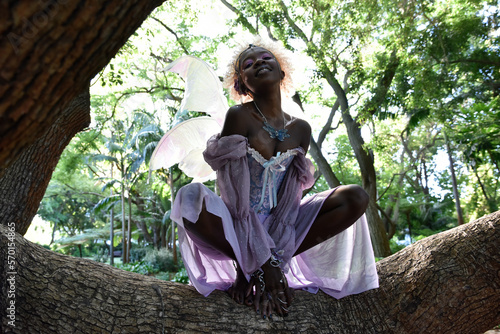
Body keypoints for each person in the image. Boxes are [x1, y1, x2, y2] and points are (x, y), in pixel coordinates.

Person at [170, 39, 378, 319]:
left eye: (266, 57)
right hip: (237, 220)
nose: (258, 63)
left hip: (284, 223)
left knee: (355, 197)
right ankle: (247, 266)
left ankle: (272, 267)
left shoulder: (301, 129)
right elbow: (233, 194)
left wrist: (275, 263)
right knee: (189, 198)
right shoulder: (238, 116)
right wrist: (260, 263)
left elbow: (291, 198)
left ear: (282, 72)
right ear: (242, 85)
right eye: (248, 64)